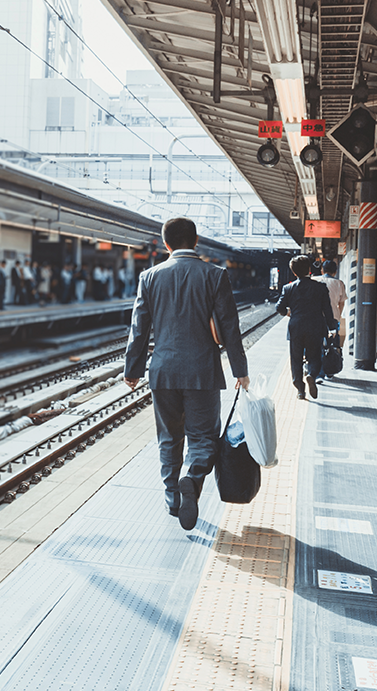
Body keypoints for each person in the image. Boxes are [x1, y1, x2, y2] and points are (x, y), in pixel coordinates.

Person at [124, 217, 250, 532]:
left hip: (163, 371)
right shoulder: (214, 275)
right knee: (203, 436)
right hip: (203, 371)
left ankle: (172, 500)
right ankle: (192, 480)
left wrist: (132, 369)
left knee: (168, 437)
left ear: (166, 244)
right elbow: (231, 329)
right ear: (196, 242)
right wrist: (240, 371)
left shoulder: (149, 277)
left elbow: (139, 328)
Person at [276, 255, 338, 400]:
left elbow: (279, 307)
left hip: (296, 327)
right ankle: (311, 374)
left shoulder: (288, 288)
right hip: (316, 326)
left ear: (294, 272)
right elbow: (327, 310)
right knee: (315, 355)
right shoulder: (320, 287)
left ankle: (300, 390)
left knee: (296, 358)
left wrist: (288, 312)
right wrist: (332, 327)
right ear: (309, 269)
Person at [316, 260, 348, 349]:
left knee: (314, 340)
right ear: (335, 272)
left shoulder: (315, 280)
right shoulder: (339, 284)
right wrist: (338, 315)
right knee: (333, 341)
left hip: (315, 317)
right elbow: (341, 303)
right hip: (333, 317)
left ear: (322, 270)